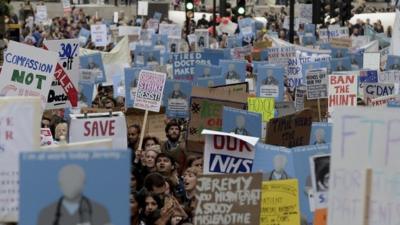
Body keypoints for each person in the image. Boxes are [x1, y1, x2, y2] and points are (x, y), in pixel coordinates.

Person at [37, 165, 111, 225]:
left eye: (74, 181)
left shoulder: (99, 211)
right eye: (66, 181)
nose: (70, 186)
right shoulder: (46, 213)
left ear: (83, 184)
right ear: (59, 185)